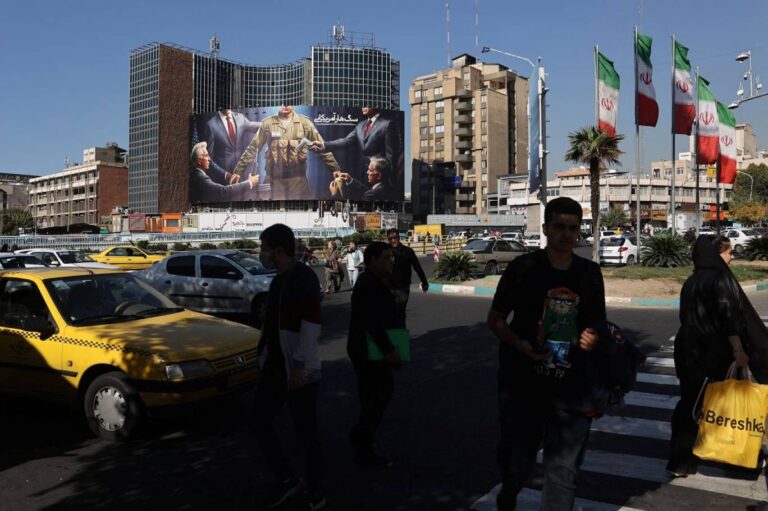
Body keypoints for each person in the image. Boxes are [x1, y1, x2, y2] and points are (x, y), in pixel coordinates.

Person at [486, 197, 607, 510]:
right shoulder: (523, 268)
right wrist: (520, 346)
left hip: (573, 388)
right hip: (523, 384)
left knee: (563, 472)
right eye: (559, 227)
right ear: (546, 228)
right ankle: (509, 493)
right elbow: (495, 320)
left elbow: (598, 323)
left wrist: (593, 336)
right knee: (518, 463)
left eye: (573, 228)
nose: (566, 234)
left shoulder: (590, 273)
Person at [253, 223, 326, 510]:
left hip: (298, 370)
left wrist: (298, 365)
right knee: (259, 422)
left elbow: (311, 324)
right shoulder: (278, 280)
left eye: (264, 249)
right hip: (275, 367)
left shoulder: (302, 278)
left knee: (307, 434)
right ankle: (286, 477)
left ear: (279, 251)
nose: (261, 254)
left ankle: (316, 490)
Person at [667, 235, 753, 477]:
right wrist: (738, 350)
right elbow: (729, 318)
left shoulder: (691, 281)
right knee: (721, 406)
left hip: (686, 349)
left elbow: (685, 316)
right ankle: (731, 457)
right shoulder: (721, 279)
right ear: (716, 255)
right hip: (711, 352)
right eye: (728, 253)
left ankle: (681, 461)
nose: (731, 257)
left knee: (690, 402)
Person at [347, 241, 400, 467]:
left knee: (378, 395)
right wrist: (390, 351)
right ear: (372, 260)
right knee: (375, 398)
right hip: (367, 350)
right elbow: (372, 323)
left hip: (371, 347)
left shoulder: (377, 281)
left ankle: (362, 437)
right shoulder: (368, 284)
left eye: (392, 257)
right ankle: (363, 443)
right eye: (386, 258)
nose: (391, 262)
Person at [232, 104, 341, 200]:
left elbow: (321, 147)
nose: (285, 105)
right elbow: (253, 148)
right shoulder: (267, 124)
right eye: (282, 103)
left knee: (298, 211)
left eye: (289, 102)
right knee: (272, 210)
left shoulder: (305, 123)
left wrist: (334, 168)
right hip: (273, 180)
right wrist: (238, 170)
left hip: (298, 180)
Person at [311, 106, 400, 185]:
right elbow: (346, 141)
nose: (363, 106)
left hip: (380, 175)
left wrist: (389, 180)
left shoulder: (387, 124)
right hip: (363, 174)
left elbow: (391, 155)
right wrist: (324, 145)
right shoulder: (361, 125)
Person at [189, 142, 259, 204]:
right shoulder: (201, 179)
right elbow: (223, 192)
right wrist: (249, 183)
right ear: (199, 161)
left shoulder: (197, 175)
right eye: (206, 156)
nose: (209, 159)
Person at [387, 229, 429, 328]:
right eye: (390, 239)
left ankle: (401, 335)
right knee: (389, 313)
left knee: (400, 312)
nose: (393, 240)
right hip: (389, 287)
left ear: (399, 238)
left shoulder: (408, 251)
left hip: (403, 287)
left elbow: (417, 267)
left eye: (395, 238)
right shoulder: (386, 252)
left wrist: (424, 282)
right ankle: (391, 335)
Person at [204, 107, 261, 176]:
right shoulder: (211, 125)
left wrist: (270, 123)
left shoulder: (240, 118)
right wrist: (224, 174)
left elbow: (255, 126)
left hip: (242, 172)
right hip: (224, 175)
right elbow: (209, 157)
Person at [331, 157, 396, 201]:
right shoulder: (391, 189)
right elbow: (369, 191)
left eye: (370, 170)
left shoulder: (369, 196)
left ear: (379, 175)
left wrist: (334, 194)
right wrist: (350, 180)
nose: (367, 172)